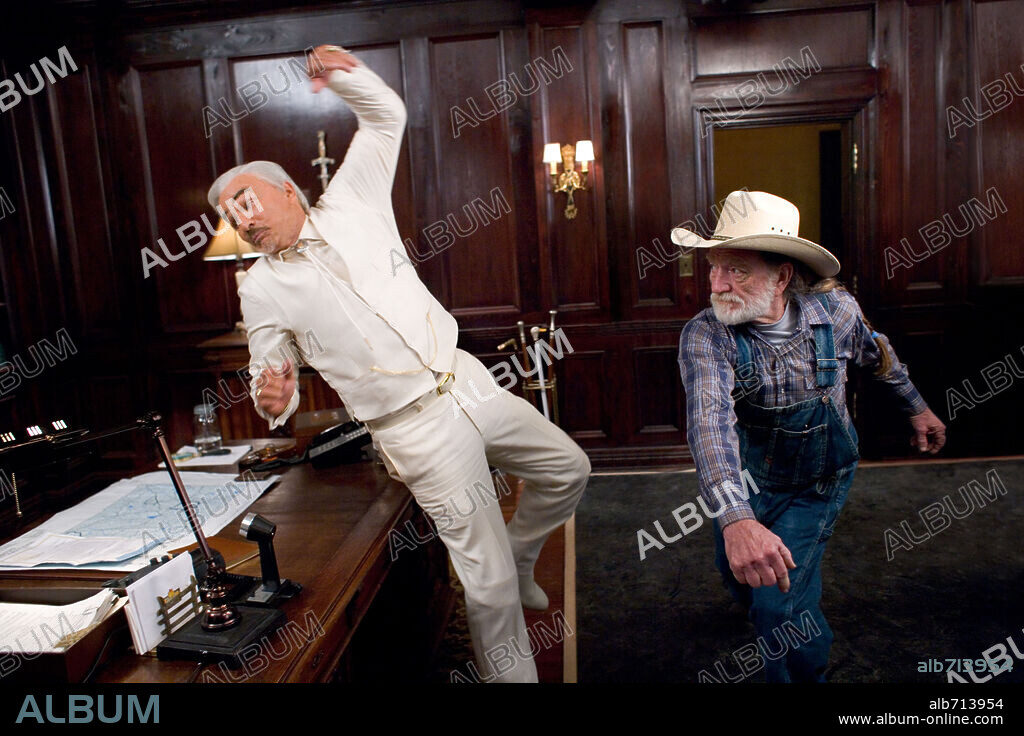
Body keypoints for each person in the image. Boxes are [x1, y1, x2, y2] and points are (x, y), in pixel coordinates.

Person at [206, 45, 589, 683]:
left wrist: (344, 76)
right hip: (414, 430)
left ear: (288, 190)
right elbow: (269, 373)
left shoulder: (352, 202)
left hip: (467, 380)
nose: (241, 222)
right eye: (229, 215)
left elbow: (386, 118)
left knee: (568, 468)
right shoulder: (261, 288)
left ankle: (523, 554)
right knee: (488, 584)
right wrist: (275, 396)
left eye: (247, 201)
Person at [674, 191, 945, 682]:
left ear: (782, 277)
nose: (716, 284)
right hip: (751, 479)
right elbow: (709, 424)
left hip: (819, 482)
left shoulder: (835, 311)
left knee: (778, 604)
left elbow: (878, 355)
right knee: (737, 576)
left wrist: (918, 408)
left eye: (737, 270)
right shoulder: (706, 334)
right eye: (714, 268)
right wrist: (737, 520)